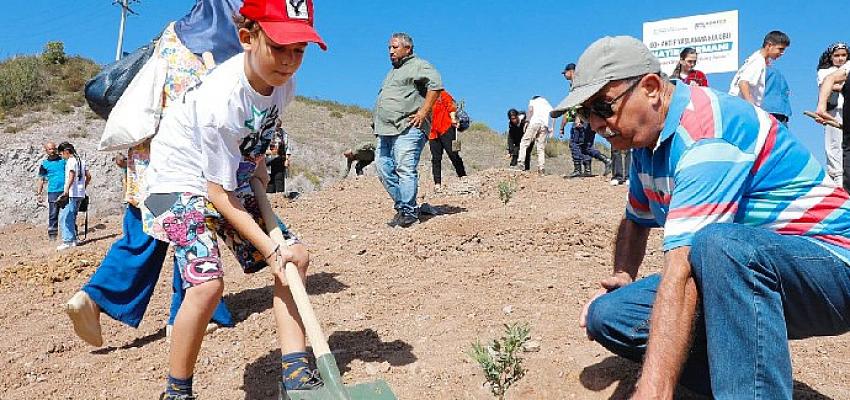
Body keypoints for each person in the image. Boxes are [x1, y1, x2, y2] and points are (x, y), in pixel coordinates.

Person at [550, 35, 850, 399]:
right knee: (611, 316)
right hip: (748, 271)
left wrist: (653, 390)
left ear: (651, 89)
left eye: (603, 106)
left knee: (718, 245)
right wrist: (623, 274)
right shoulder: (645, 143)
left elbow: (684, 268)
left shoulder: (708, 131)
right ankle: (750, 383)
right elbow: (635, 220)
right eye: (586, 113)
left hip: (831, 265)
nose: (596, 123)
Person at [140, 0, 326, 397]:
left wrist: (256, 163)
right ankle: (177, 390)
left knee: (295, 258)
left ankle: (295, 371)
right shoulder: (221, 99)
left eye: (299, 50)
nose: (289, 61)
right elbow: (217, 194)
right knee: (207, 284)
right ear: (246, 37)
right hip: (173, 183)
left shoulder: (283, 83)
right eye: (279, 47)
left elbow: (255, 131)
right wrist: (269, 249)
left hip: (224, 179)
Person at [65, 0, 240, 350]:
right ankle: (189, 314)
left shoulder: (173, 36)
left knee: (143, 235)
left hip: (146, 165)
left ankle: (94, 297)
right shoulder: (221, 57)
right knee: (191, 234)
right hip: (183, 170)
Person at [373, 32, 443, 228]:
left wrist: (423, 112)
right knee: (382, 167)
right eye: (389, 47)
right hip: (386, 129)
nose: (390, 51)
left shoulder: (418, 65)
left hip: (409, 126)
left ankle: (409, 213)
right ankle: (404, 206)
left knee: (405, 168)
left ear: (408, 48)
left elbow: (436, 84)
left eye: (395, 47)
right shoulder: (393, 72)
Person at [729, 30, 790, 107]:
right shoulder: (758, 61)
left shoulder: (757, 58)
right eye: (780, 49)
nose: (782, 53)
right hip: (740, 106)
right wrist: (751, 107)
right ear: (769, 45)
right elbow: (743, 83)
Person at [816, 42, 848, 187]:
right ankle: (837, 177)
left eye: (843, 55)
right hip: (833, 111)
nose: (840, 59)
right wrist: (839, 84)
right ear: (831, 57)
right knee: (834, 143)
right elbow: (827, 84)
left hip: (846, 110)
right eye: (837, 55)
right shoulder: (825, 71)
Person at [428, 89, 466, 190]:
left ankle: (463, 176)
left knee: (453, 153)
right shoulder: (425, 97)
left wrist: (453, 119)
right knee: (436, 158)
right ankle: (437, 184)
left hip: (447, 128)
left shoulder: (442, 94)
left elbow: (451, 107)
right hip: (433, 132)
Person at [56, 142, 90, 250]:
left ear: (66, 151)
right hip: (80, 194)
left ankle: (68, 241)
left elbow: (71, 176)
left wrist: (66, 190)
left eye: (61, 154)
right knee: (72, 217)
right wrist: (83, 187)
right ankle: (74, 240)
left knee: (65, 217)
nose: (62, 157)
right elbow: (89, 176)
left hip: (72, 193)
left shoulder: (71, 161)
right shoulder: (81, 161)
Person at [36, 141, 66, 241]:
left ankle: (70, 232)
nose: (52, 151)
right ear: (46, 151)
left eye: (53, 148)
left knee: (68, 213)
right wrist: (39, 193)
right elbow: (41, 179)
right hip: (53, 191)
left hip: (65, 190)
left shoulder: (63, 161)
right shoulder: (44, 164)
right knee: (53, 214)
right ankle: (53, 235)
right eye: (49, 149)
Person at [517, 96, 554, 175]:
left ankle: (521, 162)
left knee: (524, 142)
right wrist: (551, 128)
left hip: (535, 123)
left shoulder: (533, 101)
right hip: (544, 126)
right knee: (540, 148)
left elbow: (530, 111)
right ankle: (541, 168)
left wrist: (527, 121)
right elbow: (553, 116)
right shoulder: (547, 104)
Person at [266, 125, 291, 194]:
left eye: (278, 127)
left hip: (280, 159)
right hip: (268, 160)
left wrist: (287, 159)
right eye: (276, 127)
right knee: (269, 180)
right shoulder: (266, 133)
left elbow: (287, 147)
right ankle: (270, 195)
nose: (277, 129)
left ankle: (280, 195)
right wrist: (269, 152)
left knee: (279, 179)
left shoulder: (283, 134)